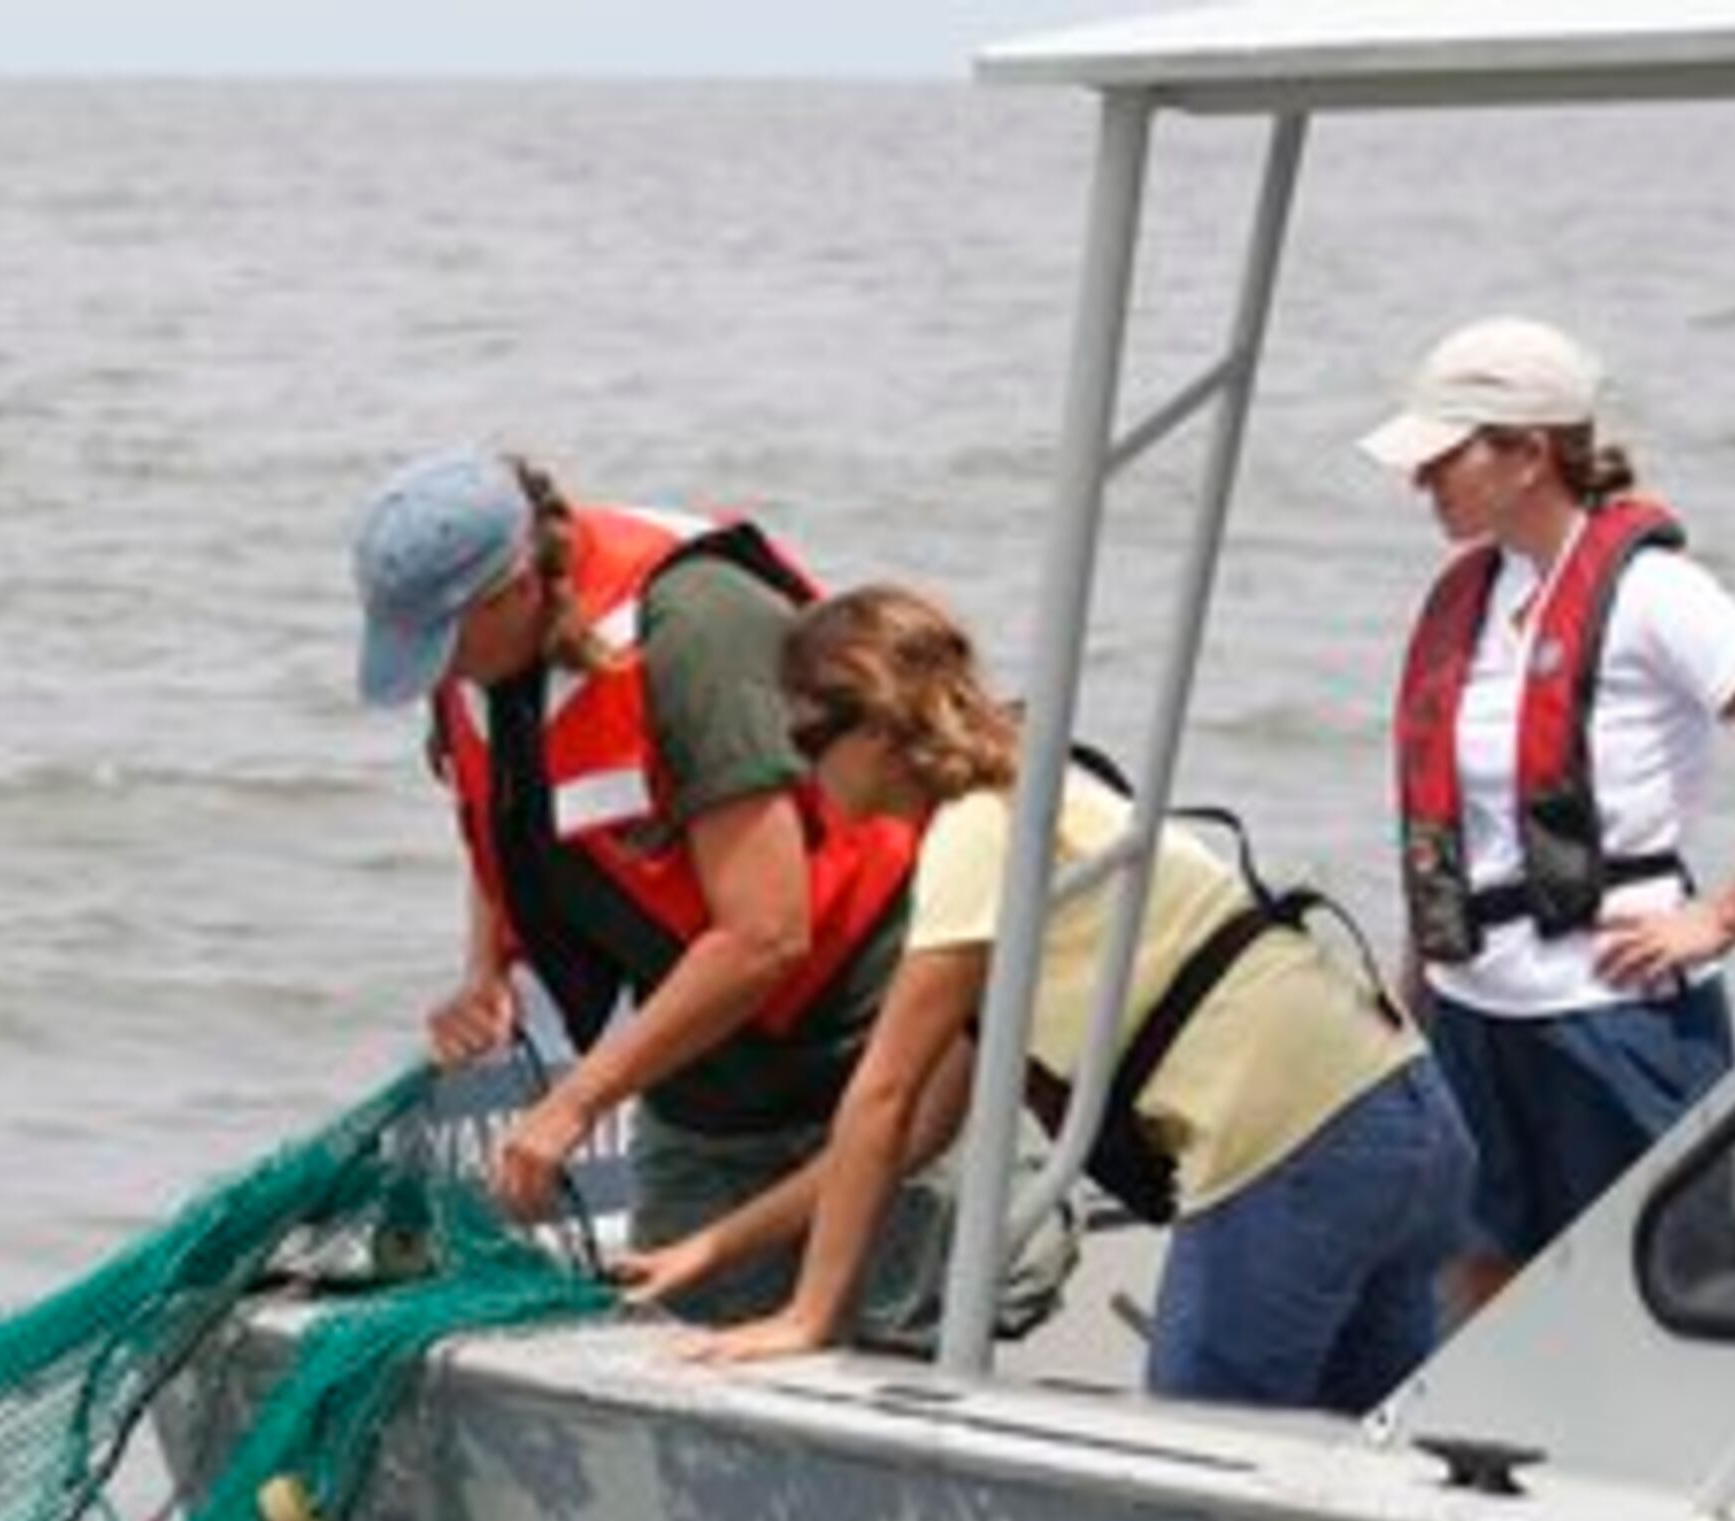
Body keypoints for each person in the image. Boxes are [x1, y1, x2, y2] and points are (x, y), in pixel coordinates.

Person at [621, 584, 1476, 1415]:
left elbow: (880, 1096)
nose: (799, 769)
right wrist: (717, 1244)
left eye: (807, 736)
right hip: (1406, 1109)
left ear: (878, 728)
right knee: (1361, 1456)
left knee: (1192, 1474)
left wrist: (806, 1317)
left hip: (1290, 1145)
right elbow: (919, 1127)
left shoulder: (972, 835)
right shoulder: (1045, 789)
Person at [350, 450, 1069, 1342]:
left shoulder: (693, 630)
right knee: (678, 1343)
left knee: (917, 1335)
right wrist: (486, 968)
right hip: (707, 1096)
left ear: (513, 590)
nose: (435, 675)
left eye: (444, 644)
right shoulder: (479, 673)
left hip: (871, 1055)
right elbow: (504, 810)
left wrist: (579, 1101)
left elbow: (766, 933)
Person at [1361, 316, 1735, 1315]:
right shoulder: (1470, 597)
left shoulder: (1656, 596)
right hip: (1476, 1010)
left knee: (1647, 1285)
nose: (1421, 483)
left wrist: (1719, 918)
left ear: (1529, 454)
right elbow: (1466, 824)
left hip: (1614, 1016)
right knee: (1476, 1264)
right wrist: (1415, 982)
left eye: (1444, 457)